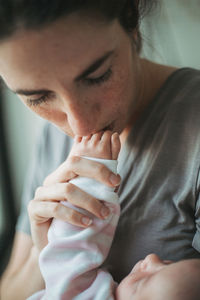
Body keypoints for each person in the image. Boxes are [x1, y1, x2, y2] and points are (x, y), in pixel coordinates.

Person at [0, 0, 200, 299]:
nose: (80, 126)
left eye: (97, 76)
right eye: (38, 98)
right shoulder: (51, 141)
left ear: (131, 20)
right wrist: (43, 256)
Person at [29, 130, 121, 299]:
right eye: (40, 100)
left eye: (143, 285)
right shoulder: (52, 137)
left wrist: (89, 184)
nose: (151, 260)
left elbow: (70, 283)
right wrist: (41, 248)